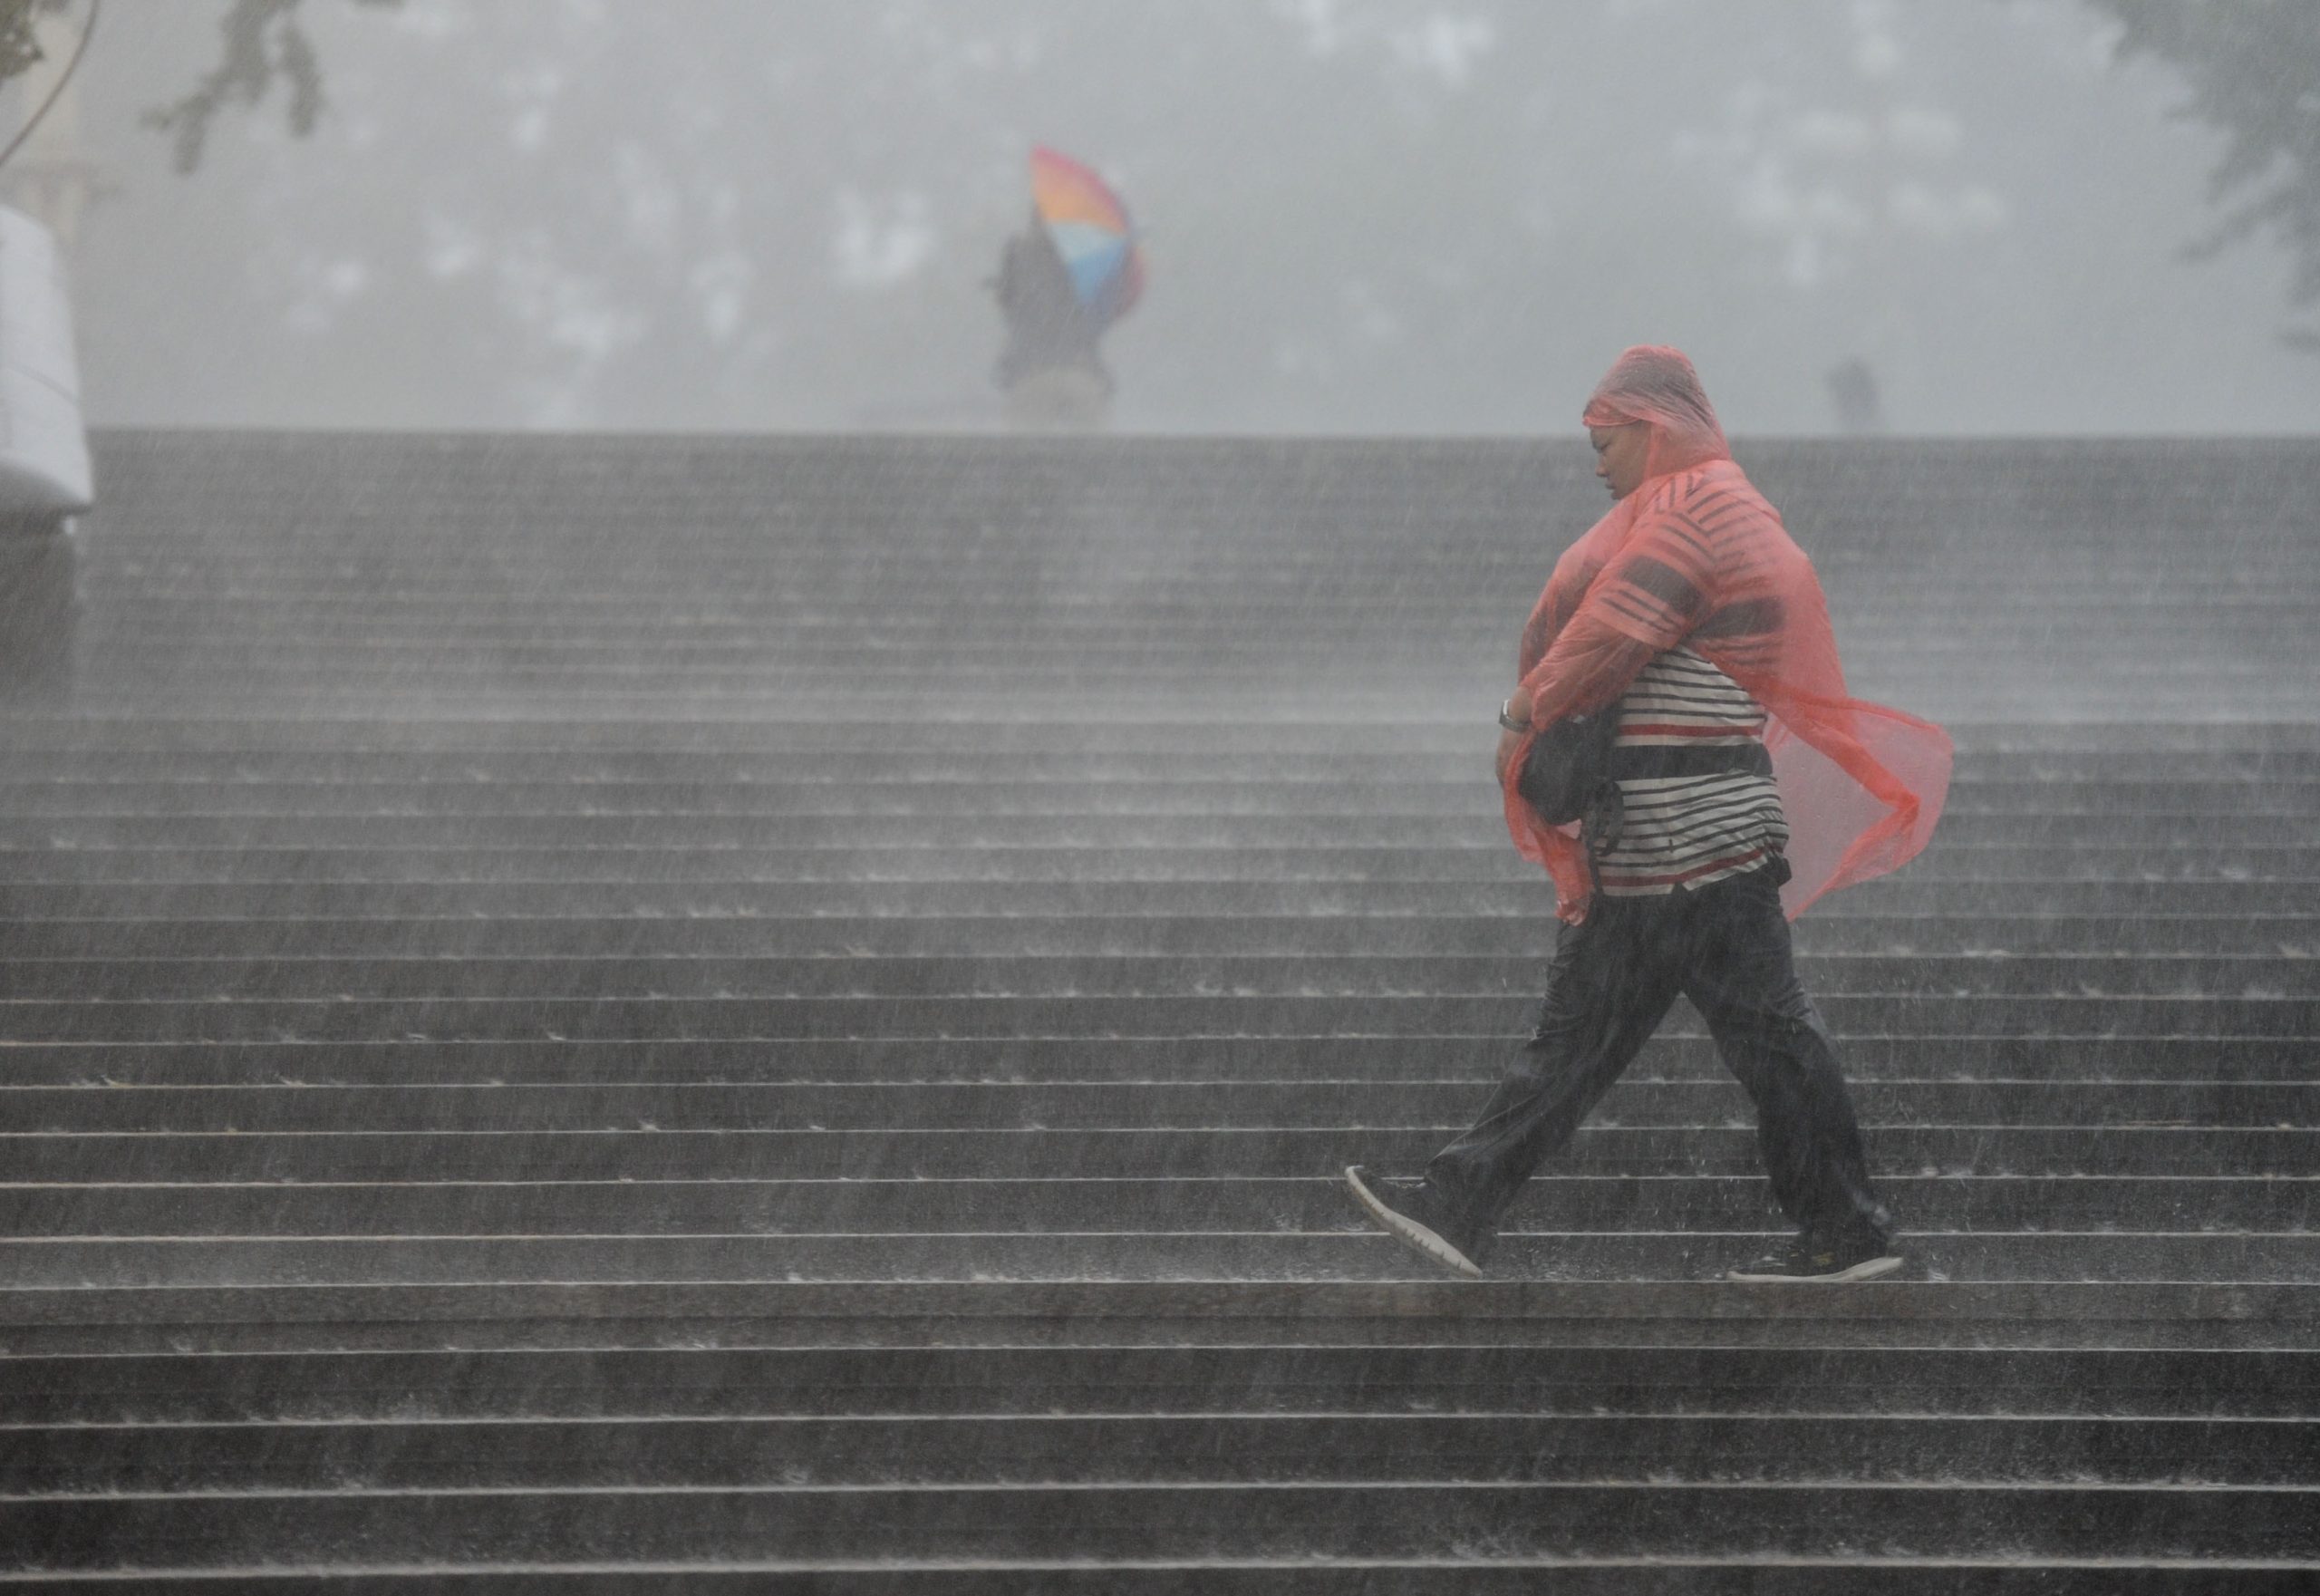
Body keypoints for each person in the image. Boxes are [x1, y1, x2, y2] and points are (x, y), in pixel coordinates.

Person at [1346, 345, 1950, 1283]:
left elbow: (1608, 633)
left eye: (1603, 440)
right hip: (1691, 836)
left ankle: (1463, 1206)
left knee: (1651, 1042)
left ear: (1651, 427)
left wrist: (1520, 717)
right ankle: (1841, 1229)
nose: (1595, 462)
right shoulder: (1717, 504)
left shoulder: (1697, 506)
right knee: (1692, 1040)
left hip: (1685, 832)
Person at [988, 209, 1113, 430]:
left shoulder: (1018, 251)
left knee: (1020, 455)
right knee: (1097, 454)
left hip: (1031, 371)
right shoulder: (1087, 258)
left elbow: (1008, 304)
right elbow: (1102, 307)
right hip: (1081, 370)